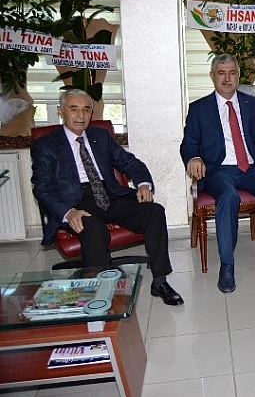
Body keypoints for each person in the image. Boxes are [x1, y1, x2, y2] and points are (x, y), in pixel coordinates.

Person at [31, 89, 183, 306]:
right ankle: (98, 293)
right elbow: (42, 188)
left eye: (86, 110)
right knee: (94, 229)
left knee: (154, 211)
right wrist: (68, 212)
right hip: (76, 202)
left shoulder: (100, 136)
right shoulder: (46, 145)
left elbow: (130, 162)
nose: (81, 115)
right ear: (61, 112)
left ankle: (160, 281)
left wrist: (143, 184)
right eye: (74, 109)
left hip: (110, 195)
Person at [180, 54, 255, 293]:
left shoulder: (252, 104)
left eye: (232, 73)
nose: (227, 78)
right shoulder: (199, 109)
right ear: (212, 76)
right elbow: (188, 144)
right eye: (221, 73)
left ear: (238, 76)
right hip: (218, 170)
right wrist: (193, 158)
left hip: (250, 168)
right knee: (228, 197)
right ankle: (227, 266)